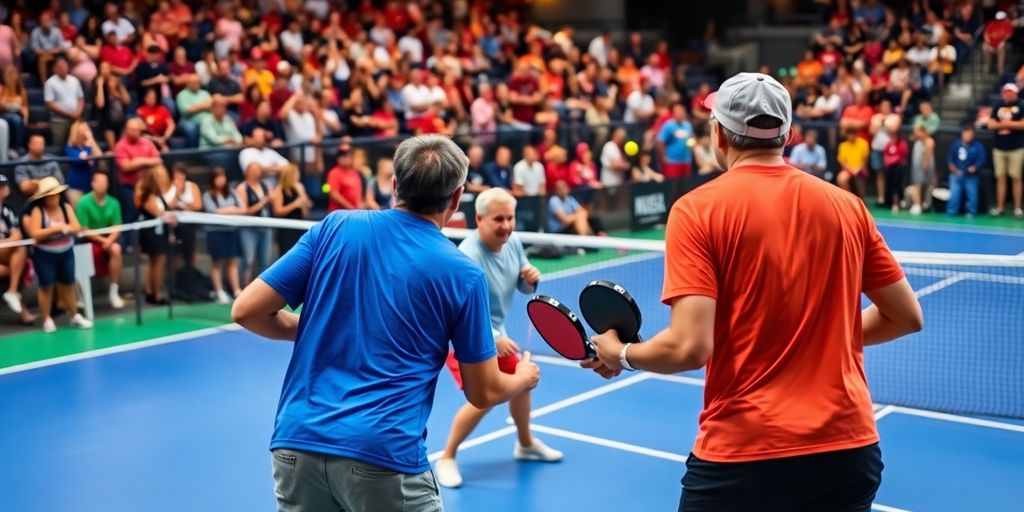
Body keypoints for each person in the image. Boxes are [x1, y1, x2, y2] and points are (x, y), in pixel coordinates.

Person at [581, 72, 923, 511]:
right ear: (788, 135)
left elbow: (688, 347)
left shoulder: (697, 210)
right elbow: (905, 316)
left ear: (719, 134)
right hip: (848, 453)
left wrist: (620, 354)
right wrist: (814, 334)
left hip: (746, 454)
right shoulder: (847, 206)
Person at [231, 135, 540, 511]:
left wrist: (315, 326)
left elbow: (247, 310)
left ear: (395, 186)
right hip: (382, 456)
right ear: (457, 199)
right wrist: (523, 378)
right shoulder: (464, 273)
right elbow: (483, 392)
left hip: (295, 444)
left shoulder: (335, 227)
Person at [435, 188, 562, 488]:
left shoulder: (513, 242)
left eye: (510, 218)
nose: (506, 226)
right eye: (498, 219)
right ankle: (447, 457)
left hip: (494, 335)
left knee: (522, 381)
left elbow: (522, 287)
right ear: (479, 219)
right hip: (462, 339)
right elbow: (456, 311)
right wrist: (492, 337)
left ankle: (525, 443)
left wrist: (529, 279)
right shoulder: (467, 257)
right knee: (484, 398)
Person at [24, 177, 94, 333]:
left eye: (56, 194)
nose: (54, 197)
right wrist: (56, 229)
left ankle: (74, 315)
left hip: (66, 251)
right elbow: (36, 233)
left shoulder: (66, 207)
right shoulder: (38, 211)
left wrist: (66, 228)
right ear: (44, 198)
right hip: (44, 254)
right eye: (50, 195)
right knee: (46, 285)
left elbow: (76, 227)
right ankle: (47, 319)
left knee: (68, 283)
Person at [75, 172, 124, 309]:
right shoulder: (83, 203)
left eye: (105, 182)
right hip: (88, 241)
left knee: (116, 249)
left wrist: (109, 240)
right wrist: (103, 240)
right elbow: (84, 229)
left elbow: (117, 227)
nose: (102, 185)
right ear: (93, 184)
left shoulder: (114, 203)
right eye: (99, 182)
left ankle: (114, 292)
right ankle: (82, 296)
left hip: (108, 240)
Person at [202, 168, 243, 304]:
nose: (221, 179)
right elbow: (213, 211)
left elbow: (242, 209)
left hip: (231, 230)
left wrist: (227, 211)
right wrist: (230, 210)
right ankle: (219, 291)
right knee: (217, 263)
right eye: (218, 177)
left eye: (223, 176)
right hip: (215, 232)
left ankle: (236, 290)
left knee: (232, 261)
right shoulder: (208, 195)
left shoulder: (232, 192)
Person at [0, 174, 36, 325]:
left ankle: (13, 292)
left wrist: (4, 243)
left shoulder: (7, 210)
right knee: (16, 267)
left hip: (4, 250)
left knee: (20, 250)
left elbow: (17, 234)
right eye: (1, 186)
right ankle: (20, 307)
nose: (4, 188)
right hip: (5, 251)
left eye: (4, 185)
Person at [137, 166, 176, 305]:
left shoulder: (158, 194)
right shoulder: (148, 195)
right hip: (152, 233)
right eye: (158, 177)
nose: (161, 179)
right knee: (158, 261)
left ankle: (150, 291)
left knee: (155, 262)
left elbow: (165, 210)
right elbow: (157, 212)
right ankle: (156, 294)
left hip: (160, 232)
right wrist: (168, 216)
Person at [114, 119, 164, 224]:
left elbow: (158, 160)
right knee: (130, 216)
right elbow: (125, 166)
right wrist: (146, 162)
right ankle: (129, 240)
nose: (135, 133)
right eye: (132, 130)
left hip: (147, 187)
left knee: (151, 216)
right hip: (129, 187)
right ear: (126, 130)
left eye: (137, 130)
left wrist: (138, 161)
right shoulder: (120, 146)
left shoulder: (146, 142)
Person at [987, 83, 1024, 219]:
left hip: (1016, 148)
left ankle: (1017, 208)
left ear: (1015, 93)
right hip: (999, 148)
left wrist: (1005, 124)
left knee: (1016, 177)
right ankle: (1000, 207)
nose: (1008, 95)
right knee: (1000, 177)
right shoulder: (997, 105)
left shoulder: (1021, 105)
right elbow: (990, 124)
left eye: (1011, 93)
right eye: (1006, 93)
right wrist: (1010, 124)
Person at [235, 161, 274, 286]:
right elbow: (244, 210)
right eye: (254, 170)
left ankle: (263, 291)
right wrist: (263, 202)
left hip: (265, 224)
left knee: (265, 261)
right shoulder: (242, 188)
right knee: (248, 260)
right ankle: (244, 289)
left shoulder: (265, 185)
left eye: (258, 169)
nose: (257, 172)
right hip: (249, 227)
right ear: (248, 172)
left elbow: (272, 202)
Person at [43, 58, 84, 150]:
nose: (63, 68)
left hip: (75, 118)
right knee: (59, 146)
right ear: (55, 69)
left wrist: (78, 112)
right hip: (59, 120)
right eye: (60, 67)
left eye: (65, 66)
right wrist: (68, 114)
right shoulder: (50, 83)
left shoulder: (75, 80)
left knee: (76, 145)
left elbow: (81, 98)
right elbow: (49, 103)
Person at [272, 164, 312, 255]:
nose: (298, 175)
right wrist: (294, 204)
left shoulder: (299, 187)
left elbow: (305, 212)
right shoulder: (279, 189)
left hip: (299, 225)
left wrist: (304, 201)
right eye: (296, 173)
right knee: (286, 253)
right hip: (286, 229)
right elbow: (277, 211)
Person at [947, 125, 986, 217]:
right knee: (954, 194)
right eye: (965, 134)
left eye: (969, 135)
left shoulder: (978, 146)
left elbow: (982, 160)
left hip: (971, 175)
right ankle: (951, 211)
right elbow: (950, 160)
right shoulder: (956, 145)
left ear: (972, 135)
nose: (967, 137)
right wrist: (954, 169)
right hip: (957, 174)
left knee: (972, 193)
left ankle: (971, 212)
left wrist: (975, 167)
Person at [64, 120, 104, 206]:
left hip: (90, 186)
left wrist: (91, 140)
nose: (88, 132)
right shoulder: (70, 147)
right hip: (75, 187)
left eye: (88, 129)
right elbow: (80, 160)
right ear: (77, 132)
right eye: (85, 129)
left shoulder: (90, 146)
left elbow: (100, 157)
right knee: (79, 214)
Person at [657, 103, 695, 179]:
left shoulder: (688, 125)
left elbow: (692, 139)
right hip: (672, 161)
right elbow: (660, 141)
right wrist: (664, 157)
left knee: (687, 185)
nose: (680, 113)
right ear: (674, 113)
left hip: (686, 160)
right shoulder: (668, 125)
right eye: (678, 111)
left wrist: (692, 145)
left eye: (682, 111)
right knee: (673, 186)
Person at [326, 147, 364, 212]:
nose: (344, 158)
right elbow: (334, 195)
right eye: (341, 156)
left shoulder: (354, 172)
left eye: (346, 156)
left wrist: (360, 206)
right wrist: (351, 208)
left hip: (355, 212)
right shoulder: (334, 173)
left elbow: (358, 193)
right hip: (340, 213)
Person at [908, 125, 935, 215]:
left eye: (917, 131)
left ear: (923, 131)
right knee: (917, 185)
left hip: (925, 167)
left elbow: (928, 155)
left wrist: (925, 165)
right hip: (917, 166)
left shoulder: (929, 141)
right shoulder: (918, 140)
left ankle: (925, 204)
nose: (916, 133)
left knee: (927, 186)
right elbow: (911, 137)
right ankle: (917, 204)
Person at [883, 124, 909, 213]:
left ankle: (898, 202)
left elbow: (902, 156)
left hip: (898, 168)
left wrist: (892, 160)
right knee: (889, 185)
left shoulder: (902, 143)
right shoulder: (889, 143)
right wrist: (887, 161)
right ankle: (890, 202)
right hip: (890, 168)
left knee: (897, 185)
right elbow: (886, 153)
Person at [837, 128, 870, 198]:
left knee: (859, 177)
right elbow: (842, 162)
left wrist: (858, 169)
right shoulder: (843, 145)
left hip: (861, 169)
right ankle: (849, 199)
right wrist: (851, 170)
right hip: (848, 169)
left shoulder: (863, 143)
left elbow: (865, 161)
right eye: (849, 134)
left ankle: (862, 200)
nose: (851, 136)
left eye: (853, 133)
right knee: (841, 178)